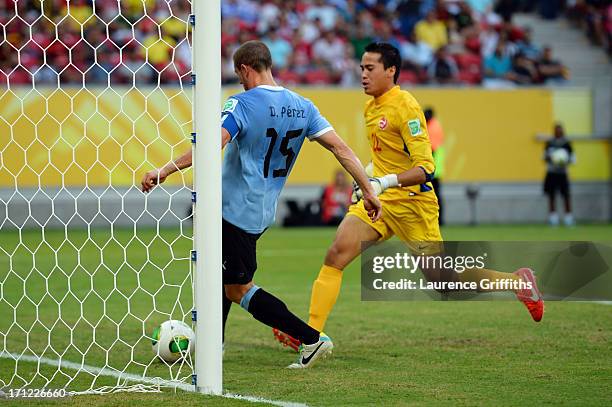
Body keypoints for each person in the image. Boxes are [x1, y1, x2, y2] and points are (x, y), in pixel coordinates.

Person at [273, 42, 545, 351]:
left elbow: (425, 167)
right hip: (382, 202)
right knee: (336, 254)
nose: (363, 74)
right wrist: (365, 177)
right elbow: (384, 155)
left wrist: (383, 182)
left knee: (444, 283)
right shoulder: (371, 106)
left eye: (370, 68)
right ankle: (310, 336)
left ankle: (517, 282)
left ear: (390, 71)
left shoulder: (406, 107)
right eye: (361, 68)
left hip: (414, 203)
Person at [141, 40, 382, 368]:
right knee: (219, 276)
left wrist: (165, 170)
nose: (239, 80)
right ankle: (216, 345)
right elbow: (341, 149)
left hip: (232, 209)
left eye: (238, 73)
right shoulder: (303, 106)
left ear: (244, 69)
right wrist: (368, 189)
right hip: (262, 209)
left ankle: (309, 338)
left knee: (239, 288)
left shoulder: (241, 104)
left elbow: (213, 143)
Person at [543, 123, 575, 226]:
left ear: (563, 132)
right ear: (554, 131)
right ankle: (553, 219)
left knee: (566, 196)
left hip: (562, 173)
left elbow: (573, 159)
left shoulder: (567, 144)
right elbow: (544, 157)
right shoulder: (550, 143)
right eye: (556, 131)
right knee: (551, 196)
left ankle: (568, 219)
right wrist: (552, 158)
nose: (558, 132)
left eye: (560, 131)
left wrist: (565, 161)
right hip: (551, 173)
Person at [424, 107, 445, 225]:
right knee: (435, 195)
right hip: (435, 168)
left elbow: (431, 148)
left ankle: (438, 220)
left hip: (433, 169)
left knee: (434, 196)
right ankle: (438, 220)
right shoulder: (435, 125)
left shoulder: (433, 127)